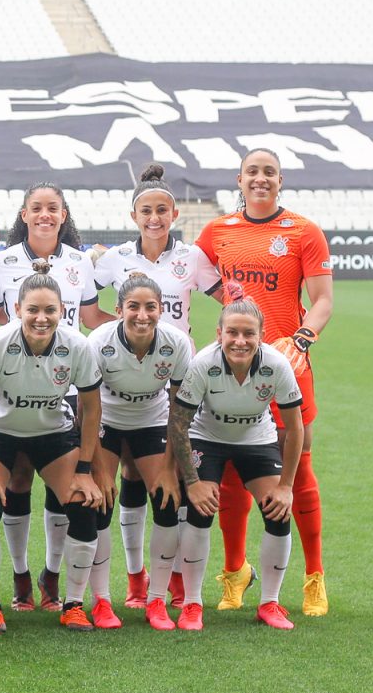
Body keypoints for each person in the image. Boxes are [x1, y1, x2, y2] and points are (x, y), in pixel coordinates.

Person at [195, 148, 334, 616]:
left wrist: (303, 338)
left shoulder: (303, 231)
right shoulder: (218, 232)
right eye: (252, 172)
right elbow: (189, 270)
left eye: (268, 172)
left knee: (299, 469)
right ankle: (236, 573)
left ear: (280, 180)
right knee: (232, 473)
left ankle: (314, 577)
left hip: (287, 368)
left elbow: (323, 301)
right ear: (239, 179)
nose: (260, 179)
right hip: (233, 366)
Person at [90, 163, 228, 610]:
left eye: (162, 210)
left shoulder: (192, 258)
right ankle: (135, 579)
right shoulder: (114, 259)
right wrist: (131, 334)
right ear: (134, 216)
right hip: (125, 379)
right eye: (146, 210)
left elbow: (232, 301)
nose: (154, 218)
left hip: (173, 377)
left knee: (172, 482)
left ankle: (170, 581)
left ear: (174, 215)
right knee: (126, 478)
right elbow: (89, 314)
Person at [0, 181, 111, 612]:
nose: (44, 214)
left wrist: (142, 322)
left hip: (63, 395)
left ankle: (56, 578)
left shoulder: (79, 263)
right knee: (12, 486)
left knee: (69, 495)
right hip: (12, 394)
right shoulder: (0, 262)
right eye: (36, 208)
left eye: (52, 208)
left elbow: (91, 317)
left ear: (63, 214)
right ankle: (17, 578)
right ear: (23, 214)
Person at [166, 300, 305, 630]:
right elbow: (179, 423)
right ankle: (192, 604)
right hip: (207, 437)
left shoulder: (277, 364)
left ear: (262, 336)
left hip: (256, 438)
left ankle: (269, 603)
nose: (239, 340)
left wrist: (286, 487)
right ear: (219, 334)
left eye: (248, 333)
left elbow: (295, 427)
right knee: (200, 509)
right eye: (232, 332)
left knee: (278, 509)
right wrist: (193, 482)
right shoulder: (203, 363)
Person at [87, 273, 197, 630]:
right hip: (106, 420)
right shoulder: (99, 341)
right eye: (133, 306)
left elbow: (180, 408)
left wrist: (169, 466)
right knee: (99, 501)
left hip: (153, 420)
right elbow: (87, 408)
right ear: (119, 309)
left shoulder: (177, 343)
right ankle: (102, 601)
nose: (142, 315)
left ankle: (156, 601)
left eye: (151, 307)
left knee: (167, 499)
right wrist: (98, 469)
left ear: (161, 310)